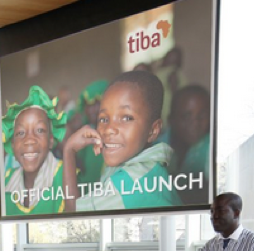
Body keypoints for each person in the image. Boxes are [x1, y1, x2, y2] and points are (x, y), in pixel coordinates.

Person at [63, 70, 182, 212]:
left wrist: (69, 150)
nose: (109, 129)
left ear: (153, 130)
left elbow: (75, 212)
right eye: (104, 119)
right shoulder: (146, 166)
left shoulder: (131, 182)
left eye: (126, 118)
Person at [3, 85, 67, 216]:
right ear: (13, 144)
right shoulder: (6, 179)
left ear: (50, 140)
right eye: (21, 133)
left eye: (39, 130)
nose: (29, 140)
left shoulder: (65, 175)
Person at [162, 84, 210, 205]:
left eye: (202, 116)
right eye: (186, 116)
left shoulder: (211, 147)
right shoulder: (155, 148)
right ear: (170, 120)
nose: (195, 123)